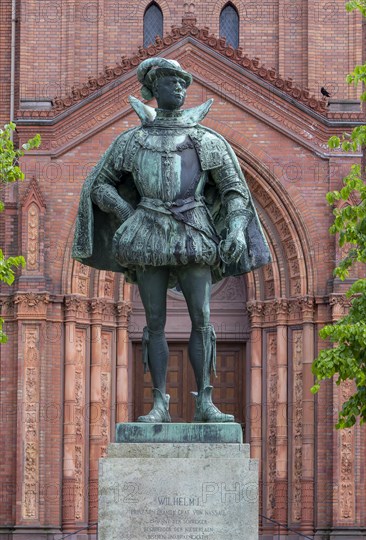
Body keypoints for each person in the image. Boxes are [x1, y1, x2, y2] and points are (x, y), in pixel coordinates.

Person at [72, 58, 271, 423]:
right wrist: (127, 214)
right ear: (154, 89)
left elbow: (234, 192)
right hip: (147, 233)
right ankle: (159, 402)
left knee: (202, 319)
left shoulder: (206, 140)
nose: (179, 88)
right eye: (171, 82)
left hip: (194, 230)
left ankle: (205, 402)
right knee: (155, 322)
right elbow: (99, 184)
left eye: (182, 83)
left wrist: (239, 229)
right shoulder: (133, 140)